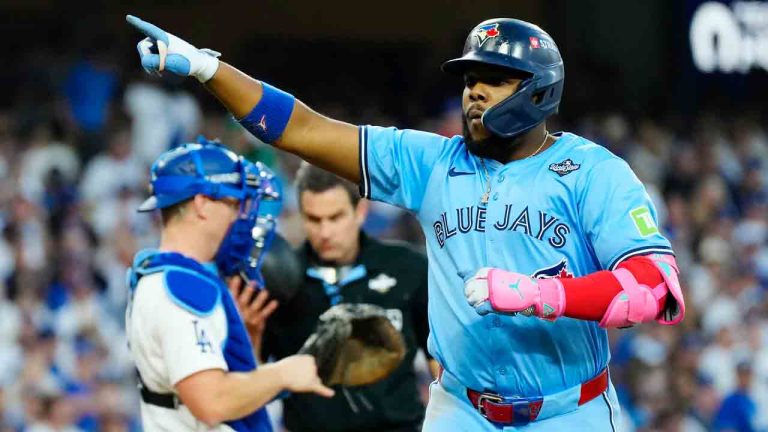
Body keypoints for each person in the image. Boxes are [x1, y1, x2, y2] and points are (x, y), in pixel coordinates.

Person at [126, 16, 686, 431]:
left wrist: (542, 295)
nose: (474, 92)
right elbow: (302, 129)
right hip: (462, 409)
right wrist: (207, 68)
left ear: (538, 89)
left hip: (568, 411)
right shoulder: (432, 162)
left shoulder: (593, 172)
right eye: (469, 79)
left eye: (494, 78)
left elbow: (655, 290)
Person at [125, 140, 333, 432]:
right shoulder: (179, 287)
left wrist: (247, 344)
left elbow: (223, 392)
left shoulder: (167, 275)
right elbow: (211, 402)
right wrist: (283, 373)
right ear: (202, 204)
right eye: (234, 203)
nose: (239, 216)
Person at [258, 163, 434, 432]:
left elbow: (439, 361)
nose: (325, 232)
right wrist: (251, 330)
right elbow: (255, 375)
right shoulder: (278, 281)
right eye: (314, 219)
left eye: (335, 217)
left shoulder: (407, 268)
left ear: (360, 210)